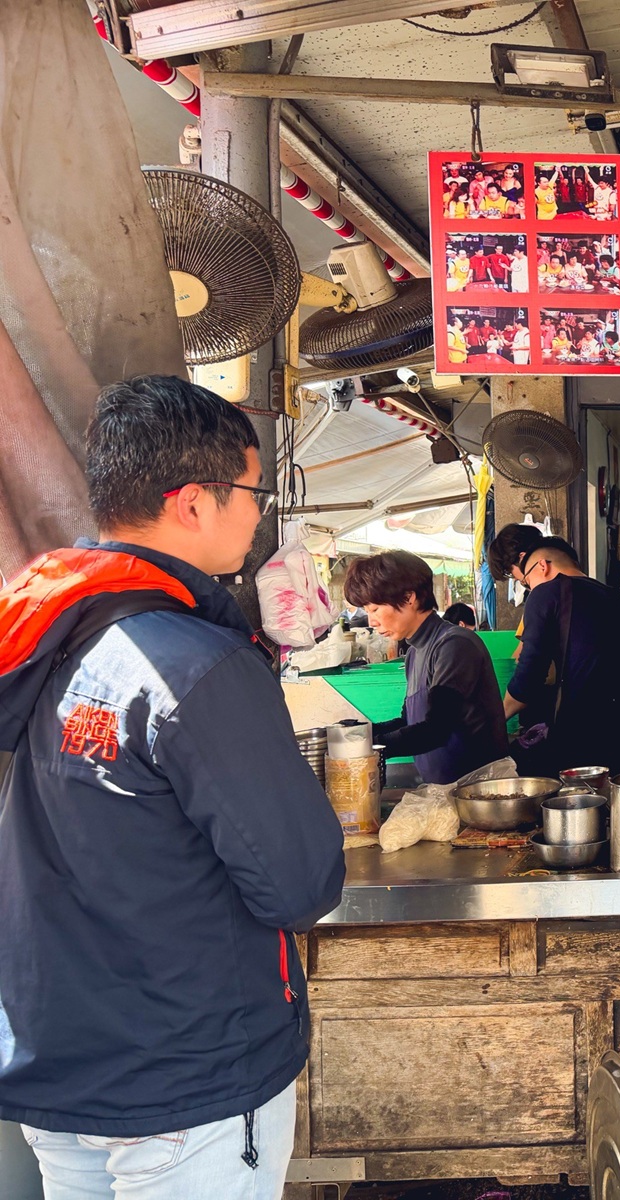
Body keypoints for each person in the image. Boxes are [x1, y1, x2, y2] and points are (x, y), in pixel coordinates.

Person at [0, 375, 344, 1197]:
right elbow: (299, 882)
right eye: (254, 491)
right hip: (186, 1073)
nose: (259, 513)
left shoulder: (51, 634)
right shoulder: (198, 663)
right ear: (194, 502)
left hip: (63, 1063)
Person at [344, 550, 510, 784]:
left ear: (409, 597)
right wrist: (356, 734)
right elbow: (409, 721)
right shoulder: (414, 653)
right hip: (445, 791)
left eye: (375, 609)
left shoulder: (454, 645)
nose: (371, 622)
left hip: (479, 791)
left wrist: (369, 747)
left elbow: (436, 729)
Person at [489, 528, 620, 775]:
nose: (529, 588)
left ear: (542, 566)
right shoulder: (617, 598)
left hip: (578, 736)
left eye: (526, 582)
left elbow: (529, 676)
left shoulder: (546, 593)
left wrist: (495, 720)